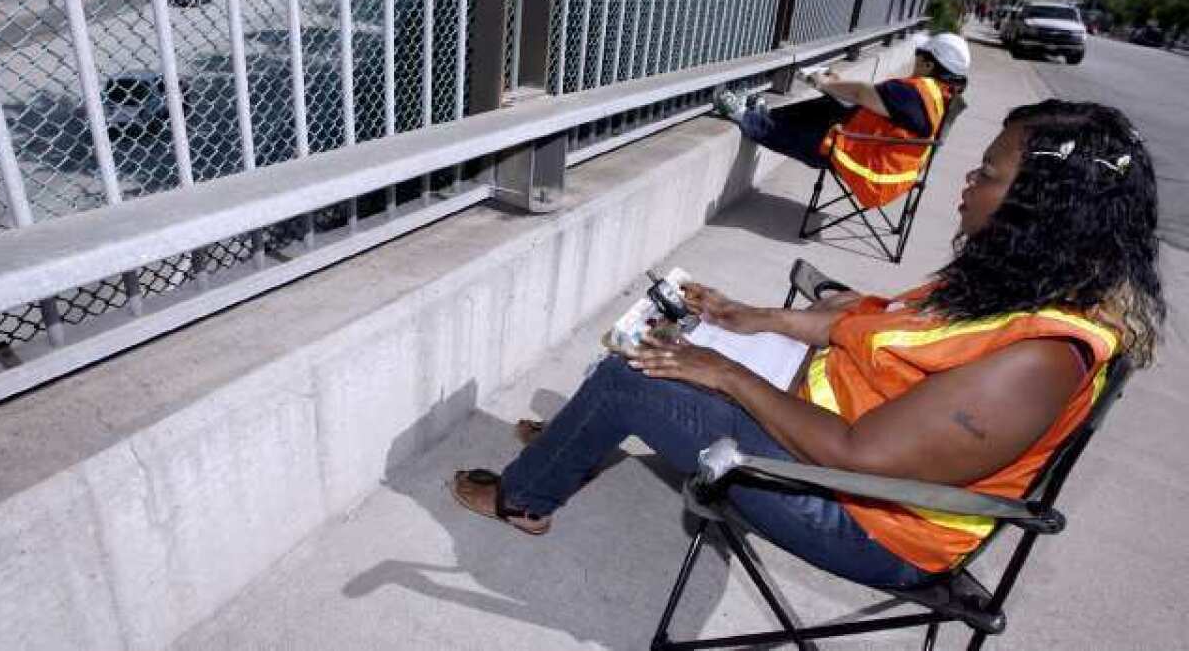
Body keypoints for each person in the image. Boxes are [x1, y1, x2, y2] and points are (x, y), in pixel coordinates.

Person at [451, 100, 1163, 588]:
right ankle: (576, 441)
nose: (966, 186)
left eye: (988, 175)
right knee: (676, 328)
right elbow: (870, 325)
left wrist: (728, 376)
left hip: (867, 517)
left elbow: (859, 458)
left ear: (1040, 210)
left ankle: (525, 497)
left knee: (636, 374)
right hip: (839, 427)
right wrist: (748, 318)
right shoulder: (1017, 279)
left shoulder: (1038, 360)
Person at [723, 33, 971, 209]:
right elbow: (872, 100)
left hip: (873, 169)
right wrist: (834, 85)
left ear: (929, 64)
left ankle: (745, 117)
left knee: (820, 137)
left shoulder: (917, 93)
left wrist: (824, 82)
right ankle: (763, 115)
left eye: (919, 54)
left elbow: (862, 94)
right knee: (833, 106)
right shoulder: (943, 96)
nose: (915, 59)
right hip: (888, 164)